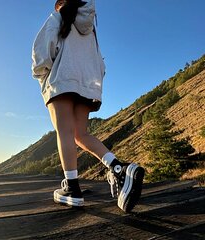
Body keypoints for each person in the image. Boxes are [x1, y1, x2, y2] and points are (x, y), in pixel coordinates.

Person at [31, 0, 144, 212]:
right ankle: (119, 168)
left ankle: (72, 188)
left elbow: (41, 52)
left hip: (62, 80)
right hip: (88, 86)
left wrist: (42, 75)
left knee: (64, 131)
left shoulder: (57, 18)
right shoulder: (91, 30)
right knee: (80, 134)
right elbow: (100, 63)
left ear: (61, 3)